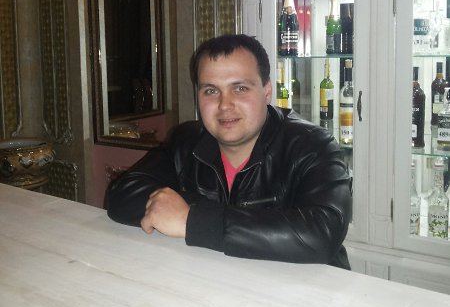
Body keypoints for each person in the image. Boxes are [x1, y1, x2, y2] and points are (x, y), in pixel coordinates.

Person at [106, 34, 352, 268]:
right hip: (215, 281)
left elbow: (322, 233)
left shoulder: (312, 145)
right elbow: (122, 195)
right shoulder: (186, 141)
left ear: (267, 91)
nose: (225, 105)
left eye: (240, 88)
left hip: (303, 291)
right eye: (211, 91)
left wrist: (192, 219)